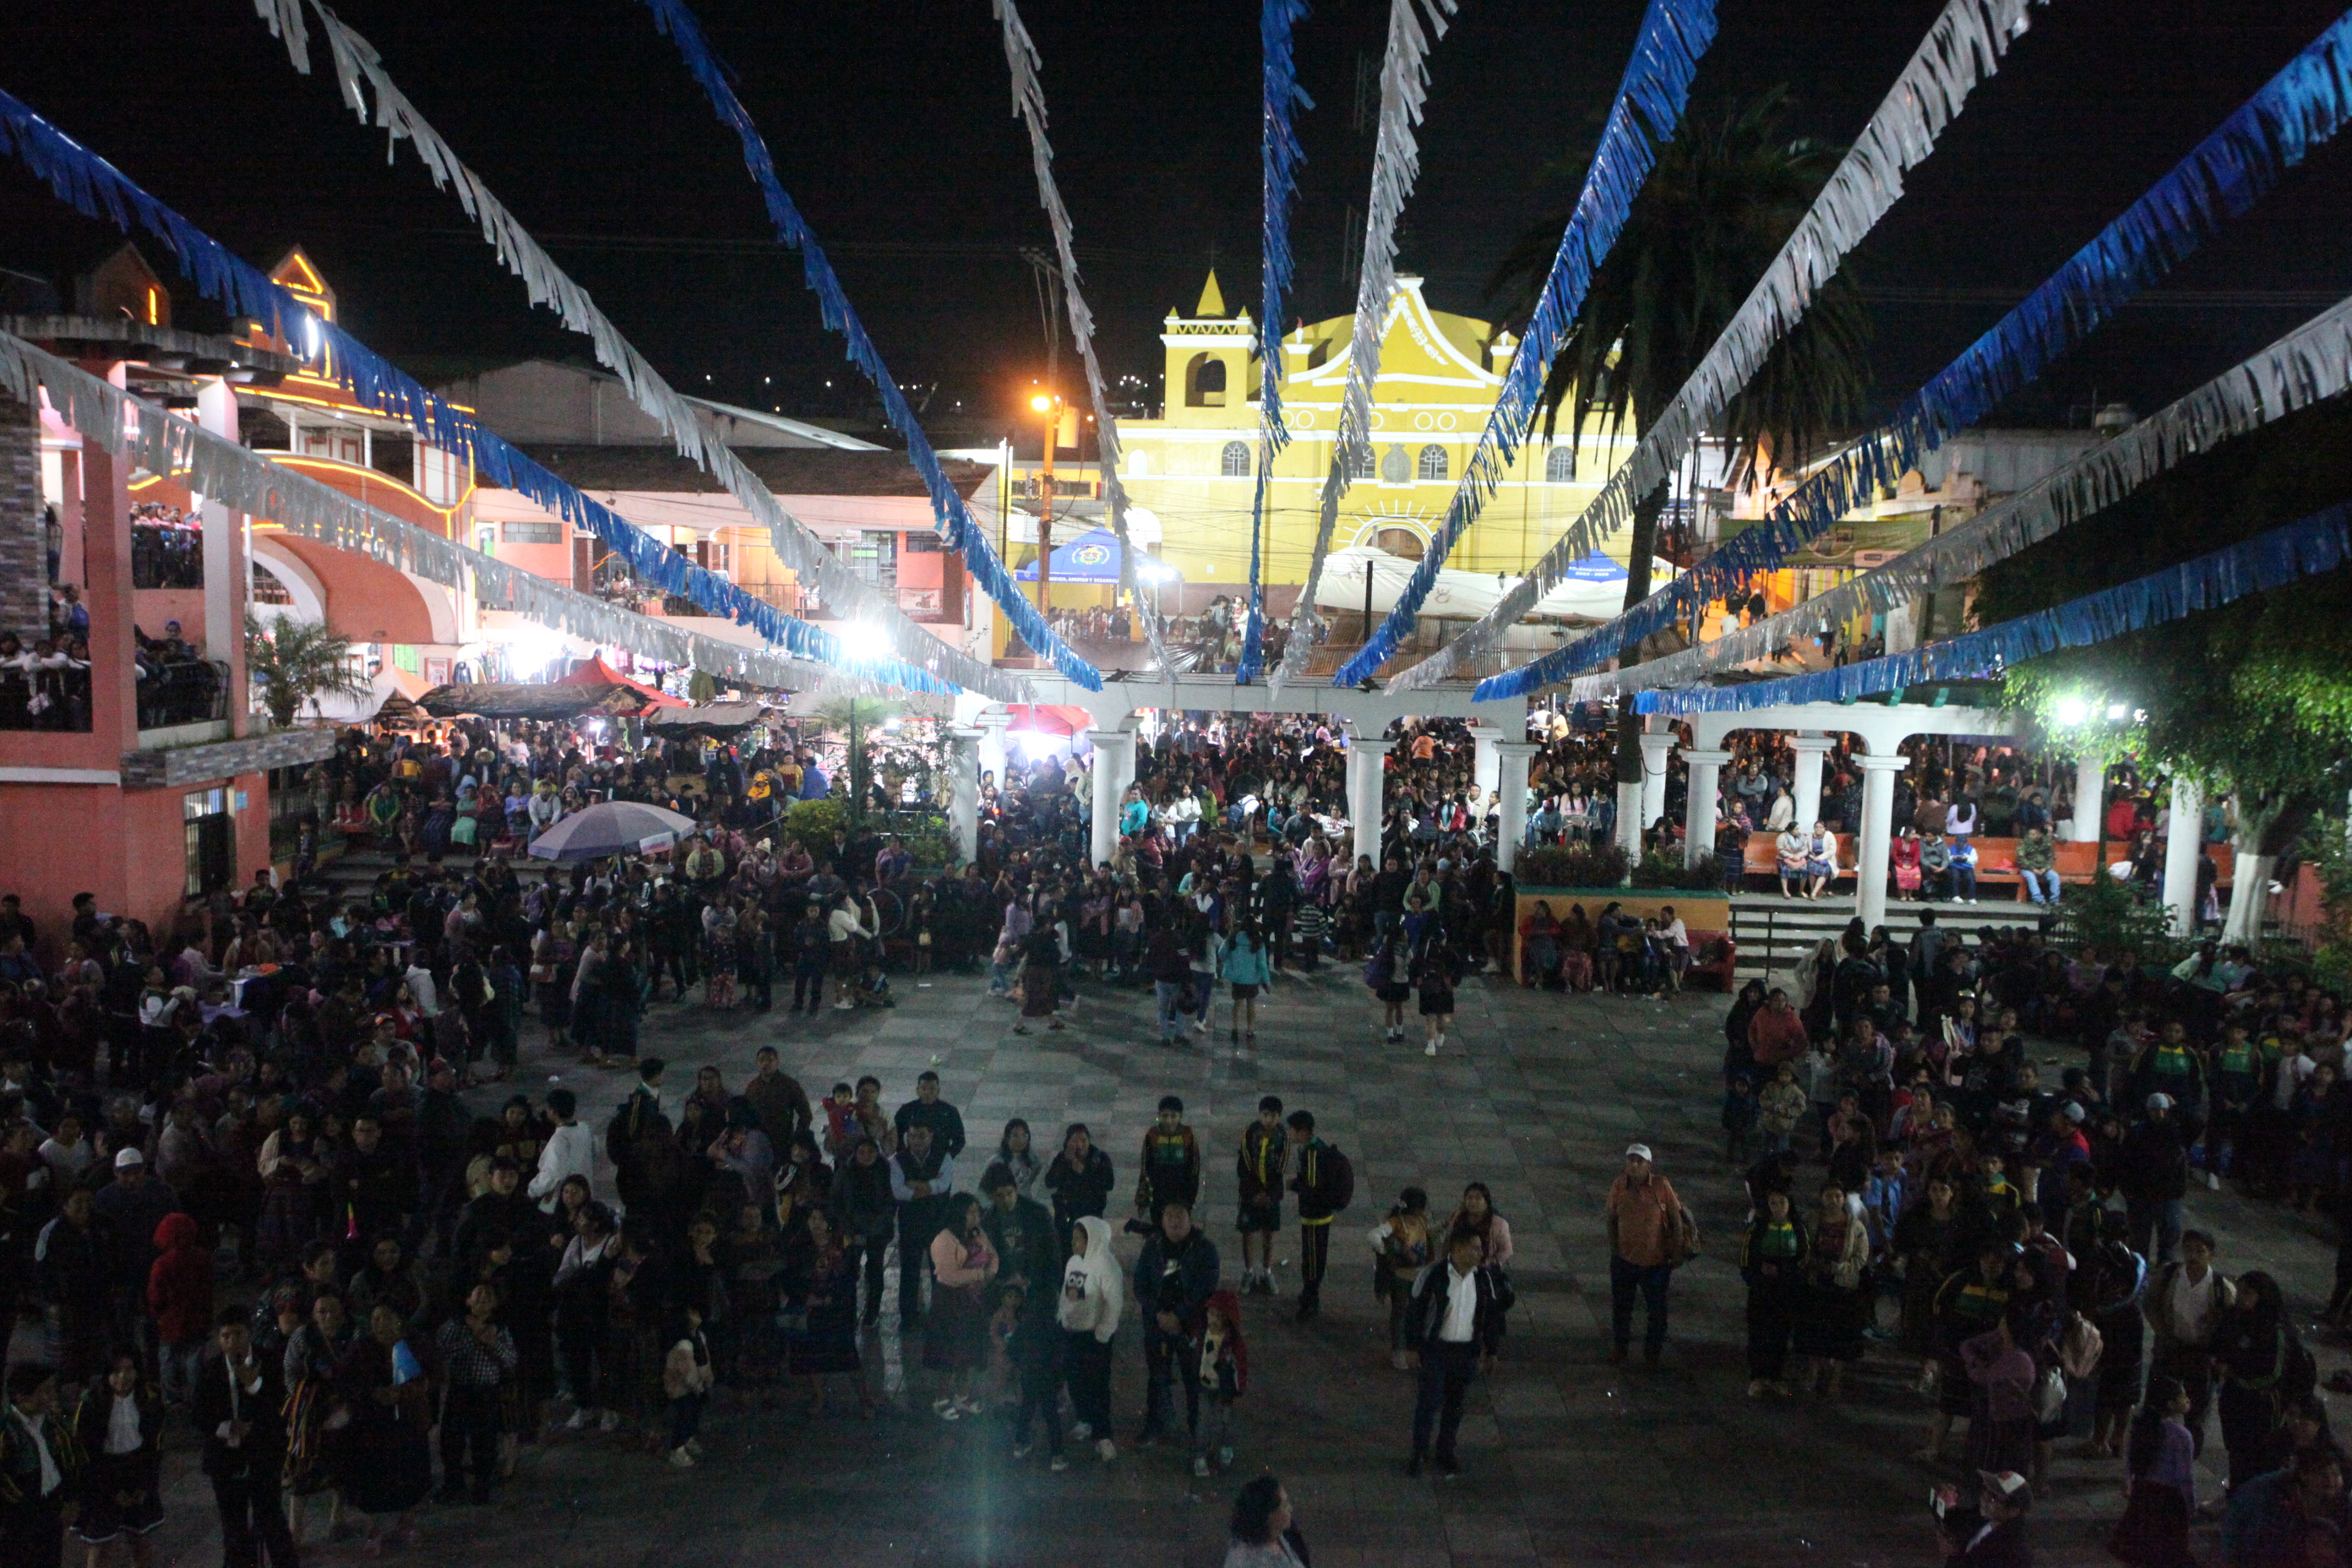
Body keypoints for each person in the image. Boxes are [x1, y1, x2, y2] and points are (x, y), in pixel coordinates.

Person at [1402, 1228, 1508, 1478]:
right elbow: (1414, 1311)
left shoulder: (1482, 1278)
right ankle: (1418, 1452)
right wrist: (1412, 1347)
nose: (1481, 1253)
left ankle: (1445, 1451)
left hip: (1465, 1351)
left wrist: (1491, 1350)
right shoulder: (1433, 1275)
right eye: (1475, 1248)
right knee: (1428, 1404)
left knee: (1455, 1405)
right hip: (1436, 1350)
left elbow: (1491, 1315)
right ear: (1457, 1250)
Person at [193, 1309, 294, 1568]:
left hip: (263, 1456)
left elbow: (281, 1405)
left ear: (249, 1333)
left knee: (271, 1520)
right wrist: (226, 1428)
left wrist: (255, 1385)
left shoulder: (269, 1360)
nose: (232, 1341)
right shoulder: (209, 1369)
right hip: (225, 1459)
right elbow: (198, 1415)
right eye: (225, 1336)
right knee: (233, 1527)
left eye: (238, 1334)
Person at [1134, 1202, 1220, 1450]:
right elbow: (1140, 1283)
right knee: (1157, 1377)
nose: (1174, 1221)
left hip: (1190, 1326)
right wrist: (1158, 1312)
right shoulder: (1153, 1246)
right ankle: (1155, 1425)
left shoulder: (1203, 1249)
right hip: (1156, 1325)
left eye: (1179, 1216)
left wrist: (1179, 1315)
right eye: (1169, 1216)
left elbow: (1205, 1288)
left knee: (1193, 1380)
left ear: (1190, 1219)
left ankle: (1197, 1430)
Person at [69, 1353, 163, 1568]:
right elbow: (86, 1452)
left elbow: (154, 1446)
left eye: (129, 1369)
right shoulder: (92, 1402)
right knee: (100, 1545)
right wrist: (110, 1490)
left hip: (136, 1469)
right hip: (103, 1473)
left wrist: (144, 1485)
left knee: (140, 1540)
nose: (123, 1376)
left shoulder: (148, 1398)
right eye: (116, 1371)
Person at [1605, 1143, 1691, 1369]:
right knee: (1622, 1308)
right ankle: (1620, 1347)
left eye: (1639, 1161)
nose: (1633, 1165)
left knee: (1657, 1311)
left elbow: (1675, 1218)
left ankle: (1652, 1353)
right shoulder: (1619, 1186)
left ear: (1649, 1166)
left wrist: (1677, 1249)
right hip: (1625, 1259)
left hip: (1656, 1262)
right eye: (1630, 1160)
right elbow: (1611, 1218)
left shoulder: (1662, 1186)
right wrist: (1615, 1248)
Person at [433, 1282, 515, 1502]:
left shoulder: (500, 1328)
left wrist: (492, 1344)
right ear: (468, 1300)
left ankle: (482, 1485)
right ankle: (453, 1483)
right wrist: (473, 1340)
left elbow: (510, 1359)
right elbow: (441, 1352)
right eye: (478, 1295)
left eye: (489, 1296)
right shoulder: (455, 1325)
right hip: (460, 1388)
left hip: (487, 1391)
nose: (483, 1299)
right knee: (451, 1439)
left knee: (485, 1440)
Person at [923, 1194, 997, 1420]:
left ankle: (962, 1396)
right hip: (950, 1302)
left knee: (967, 1350)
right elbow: (948, 1275)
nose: (976, 1216)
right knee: (950, 1351)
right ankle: (942, 1399)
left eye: (977, 1211)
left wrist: (990, 1272)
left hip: (972, 1300)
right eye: (971, 1212)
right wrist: (979, 1274)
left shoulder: (977, 1234)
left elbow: (993, 1255)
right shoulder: (945, 1239)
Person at [2110, 1373, 2197, 1568]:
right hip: (2169, 1501)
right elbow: (2185, 1477)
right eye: (2182, 1396)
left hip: (2143, 1495)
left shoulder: (2141, 1426)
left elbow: (2130, 1461)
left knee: (2139, 1549)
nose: (2187, 1400)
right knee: (2167, 1551)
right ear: (2171, 1404)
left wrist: (2129, 1484)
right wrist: (2190, 1506)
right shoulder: (2181, 1436)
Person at [1056, 1215, 1124, 1463]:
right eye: (1073, 1239)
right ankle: (1084, 1419)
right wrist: (1062, 1318)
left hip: (1094, 1337)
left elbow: (1113, 1303)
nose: (1074, 1245)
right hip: (1071, 1333)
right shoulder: (1074, 1262)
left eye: (1079, 1240)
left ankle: (1103, 1435)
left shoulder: (1107, 1266)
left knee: (1097, 1384)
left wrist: (1103, 1334)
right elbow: (1067, 1294)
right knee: (1075, 1379)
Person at [2, 1367, 81, 1568]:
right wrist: (28, 1509)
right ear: (21, 1398)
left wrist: (70, 1498)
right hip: (22, 1518)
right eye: (43, 1391)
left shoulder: (51, 1425)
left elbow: (69, 1459)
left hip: (51, 1508)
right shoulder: (7, 1432)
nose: (51, 1396)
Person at [1286, 1110, 1353, 1322]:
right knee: (1313, 1256)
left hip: (1315, 1216)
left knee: (1313, 1259)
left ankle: (1310, 1299)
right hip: (1318, 1214)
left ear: (1303, 1132)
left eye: (1293, 1130)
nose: (1290, 1134)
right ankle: (1309, 1294)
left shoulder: (1312, 1152)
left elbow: (1312, 1185)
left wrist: (1295, 1185)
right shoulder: (1314, 1147)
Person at [1740, 1190, 1806, 1398]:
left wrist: (1784, 1272)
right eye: (1772, 1203)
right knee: (1758, 1331)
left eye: (1781, 1202)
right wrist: (1757, 1277)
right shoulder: (1758, 1228)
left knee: (1781, 1333)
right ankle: (1757, 1377)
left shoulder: (1797, 1228)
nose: (1777, 1207)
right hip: (1762, 1289)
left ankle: (1776, 1377)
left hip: (1786, 1289)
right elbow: (1745, 1258)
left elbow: (1804, 1259)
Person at [1191, 1289, 1248, 1478]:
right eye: (1210, 1313)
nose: (1212, 1318)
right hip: (1204, 1384)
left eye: (1217, 1315)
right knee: (1204, 1422)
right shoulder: (1201, 1333)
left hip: (1225, 1389)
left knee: (1226, 1420)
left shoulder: (1232, 1341)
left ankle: (1226, 1447)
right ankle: (1200, 1456)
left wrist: (1239, 1387)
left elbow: (1240, 1364)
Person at [1235, 1097, 1287, 1295]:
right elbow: (1245, 1165)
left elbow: (1280, 1168)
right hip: (1250, 1194)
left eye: (1273, 1116)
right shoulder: (1250, 1133)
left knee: (1269, 1233)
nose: (1269, 1120)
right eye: (1265, 1115)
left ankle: (1266, 1271)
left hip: (1271, 1195)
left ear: (1279, 1117)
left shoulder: (1283, 1136)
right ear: (1260, 1115)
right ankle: (1248, 1271)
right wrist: (1255, 1193)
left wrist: (1270, 1195)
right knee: (1248, 1233)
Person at [1934, 1469, 2034, 1567]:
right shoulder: (1985, 1517)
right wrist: (1943, 1505)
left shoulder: (2013, 1552)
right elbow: (1954, 1519)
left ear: (2013, 1511)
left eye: (1994, 1497)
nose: (1985, 1497)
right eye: (1986, 1489)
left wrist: (1954, 1555)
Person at [659, 1303, 715, 1468]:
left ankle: (688, 1438)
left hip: (697, 1385)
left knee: (694, 1414)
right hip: (681, 1389)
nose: (697, 1314)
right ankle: (677, 1449)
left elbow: (705, 1359)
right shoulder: (683, 1345)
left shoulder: (699, 1336)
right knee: (685, 1416)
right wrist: (698, 1386)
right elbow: (687, 1373)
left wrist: (707, 1379)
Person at [1222, 1474, 1308, 1568]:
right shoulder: (1248, 1562)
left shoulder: (1282, 1535)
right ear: (1269, 1516)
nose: (1290, 1508)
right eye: (1284, 1506)